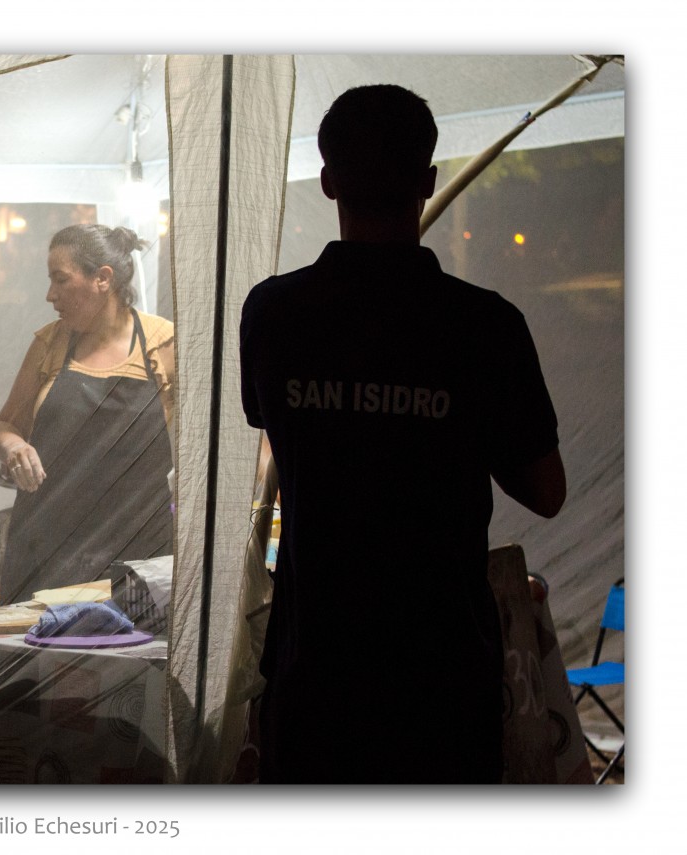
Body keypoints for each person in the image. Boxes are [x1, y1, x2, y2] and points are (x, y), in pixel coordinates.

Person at [239, 84, 566, 784]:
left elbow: (282, 433)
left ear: (327, 181)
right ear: (428, 181)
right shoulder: (484, 326)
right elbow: (546, 491)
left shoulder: (273, 314)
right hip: (441, 677)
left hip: (313, 672)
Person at [0, 224, 175, 606]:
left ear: (102, 278)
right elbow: (5, 424)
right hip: (47, 550)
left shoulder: (164, 345)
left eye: (61, 280)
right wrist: (13, 447)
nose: (50, 295)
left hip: (136, 558)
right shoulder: (49, 344)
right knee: (36, 663)